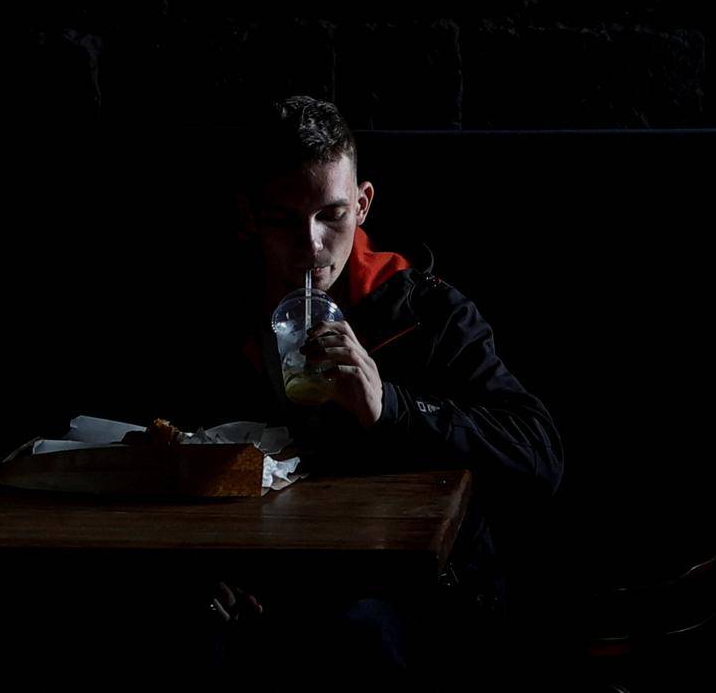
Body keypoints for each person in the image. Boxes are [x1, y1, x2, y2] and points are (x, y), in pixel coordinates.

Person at [196, 95, 565, 686]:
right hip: (269, 584)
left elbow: (537, 455)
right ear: (248, 216)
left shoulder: (427, 311)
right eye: (283, 221)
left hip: (410, 597)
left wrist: (388, 406)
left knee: (352, 639)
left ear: (363, 204)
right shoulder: (219, 316)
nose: (312, 246)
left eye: (332, 215)